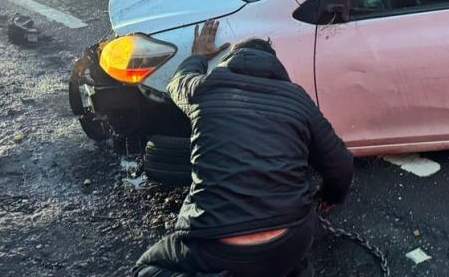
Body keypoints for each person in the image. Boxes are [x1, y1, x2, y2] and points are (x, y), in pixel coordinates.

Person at [134, 20, 354, 277]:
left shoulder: (204, 88)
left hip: (216, 245)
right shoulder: (297, 99)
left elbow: (177, 82)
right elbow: (342, 165)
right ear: (276, 67)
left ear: (231, 59)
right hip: (290, 238)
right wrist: (330, 197)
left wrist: (198, 57)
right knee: (289, 257)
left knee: (145, 269)